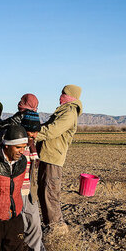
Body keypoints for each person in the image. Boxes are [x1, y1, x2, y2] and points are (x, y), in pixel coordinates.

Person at [35, 85, 83, 230]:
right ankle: (50, 225)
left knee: (49, 193)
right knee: (44, 192)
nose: (60, 95)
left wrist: (32, 134)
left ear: (72, 96)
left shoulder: (69, 112)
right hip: (47, 156)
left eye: (64, 93)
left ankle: (57, 229)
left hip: (53, 158)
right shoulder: (63, 110)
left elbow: (52, 130)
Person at [19, 111, 46, 251]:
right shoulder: (15, 144)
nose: (35, 134)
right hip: (16, 192)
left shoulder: (32, 146)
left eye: (36, 131)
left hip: (29, 192)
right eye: (32, 131)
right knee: (19, 224)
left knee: (35, 224)